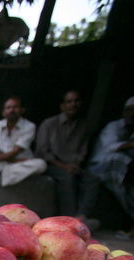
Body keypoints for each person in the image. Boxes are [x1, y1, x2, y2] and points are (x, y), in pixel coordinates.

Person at [85, 95, 134, 239]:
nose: (133, 114)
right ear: (124, 112)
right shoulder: (113, 127)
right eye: (130, 110)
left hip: (131, 173)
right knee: (118, 160)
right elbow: (109, 148)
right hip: (104, 169)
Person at [35, 90, 99, 226]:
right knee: (67, 178)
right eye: (69, 101)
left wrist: (76, 164)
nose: (73, 104)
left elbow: (83, 150)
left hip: (73, 165)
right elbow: (42, 151)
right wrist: (63, 166)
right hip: (52, 164)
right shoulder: (49, 124)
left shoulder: (83, 126)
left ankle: (82, 217)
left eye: (76, 101)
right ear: (62, 106)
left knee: (92, 179)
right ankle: (69, 220)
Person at [0, 96, 47, 186]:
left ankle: (2, 172)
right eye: (8, 108)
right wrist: (13, 161)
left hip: (20, 163)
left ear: (22, 110)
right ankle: (7, 173)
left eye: (15, 107)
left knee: (41, 164)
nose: (11, 110)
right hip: (11, 162)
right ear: (3, 112)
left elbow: (16, 151)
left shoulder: (29, 126)